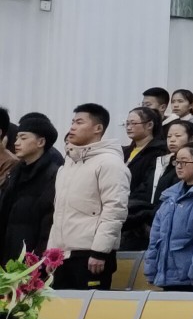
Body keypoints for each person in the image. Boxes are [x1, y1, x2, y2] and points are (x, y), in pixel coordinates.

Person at [50, 104, 129, 290]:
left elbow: (115, 209)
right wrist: (51, 253)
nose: (72, 127)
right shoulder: (68, 164)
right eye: (72, 122)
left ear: (98, 128)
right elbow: (58, 213)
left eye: (79, 122)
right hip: (63, 255)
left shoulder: (110, 163)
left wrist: (100, 252)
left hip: (91, 256)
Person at [142, 142, 193, 291]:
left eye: (184, 162)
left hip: (192, 280)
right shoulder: (170, 195)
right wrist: (151, 270)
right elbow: (156, 237)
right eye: (176, 162)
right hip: (167, 277)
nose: (178, 166)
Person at [0, 114, 60, 263]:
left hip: (31, 259)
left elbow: (48, 223)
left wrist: (38, 258)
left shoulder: (53, 175)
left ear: (41, 142)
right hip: (8, 254)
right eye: (17, 138)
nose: (16, 143)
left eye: (23, 138)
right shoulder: (15, 172)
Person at [120, 107, 167, 252]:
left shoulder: (160, 152)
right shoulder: (123, 152)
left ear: (149, 125)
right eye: (127, 123)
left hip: (138, 214)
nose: (129, 127)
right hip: (121, 207)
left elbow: (148, 184)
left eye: (133, 123)